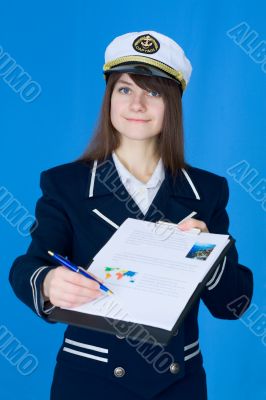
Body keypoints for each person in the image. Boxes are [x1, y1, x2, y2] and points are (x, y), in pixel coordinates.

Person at [9, 30, 253, 399]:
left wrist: (208, 253)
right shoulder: (65, 184)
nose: (137, 104)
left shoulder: (208, 190)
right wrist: (46, 283)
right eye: (125, 89)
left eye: (153, 92)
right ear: (109, 99)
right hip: (89, 380)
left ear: (173, 104)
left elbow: (232, 305)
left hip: (179, 382)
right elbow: (30, 264)